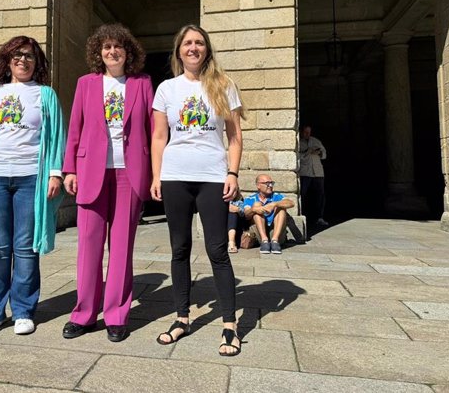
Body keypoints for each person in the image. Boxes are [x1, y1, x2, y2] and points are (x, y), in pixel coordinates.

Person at [0, 36, 66, 338]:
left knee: (26, 247)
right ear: (7, 60)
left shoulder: (45, 95)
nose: (23, 60)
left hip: (31, 177)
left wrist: (55, 173)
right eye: (17, 55)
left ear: (37, 62)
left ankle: (23, 311)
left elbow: (57, 136)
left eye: (29, 56)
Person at [151, 24, 243, 357]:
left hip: (213, 175)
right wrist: (156, 176)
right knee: (180, 248)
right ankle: (182, 318)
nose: (193, 48)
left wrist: (232, 173)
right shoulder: (166, 89)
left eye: (199, 43)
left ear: (206, 49)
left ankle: (230, 324)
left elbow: (234, 136)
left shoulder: (223, 84)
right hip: (176, 175)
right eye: (188, 43)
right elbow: (159, 137)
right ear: (179, 51)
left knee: (218, 250)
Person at [61, 24, 153, 343]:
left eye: (117, 46)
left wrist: (156, 172)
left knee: (122, 247)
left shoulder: (142, 83)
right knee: (88, 244)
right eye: (106, 47)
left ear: (128, 52)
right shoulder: (86, 83)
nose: (111, 51)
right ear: (98, 53)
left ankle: (116, 315)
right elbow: (75, 128)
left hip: (130, 171)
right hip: (91, 170)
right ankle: (84, 314)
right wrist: (69, 168)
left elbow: (153, 130)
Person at [238, 174, 295, 254]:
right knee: (257, 206)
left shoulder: (277, 196)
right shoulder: (250, 198)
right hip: (258, 234)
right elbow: (246, 215)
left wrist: (274, 204)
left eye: (271, 183)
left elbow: (291, 203)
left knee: (281, 207)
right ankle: (264, 241)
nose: (270, 186)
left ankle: (275, 241)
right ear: (258, 185)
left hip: (275, 232)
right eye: (267, 183)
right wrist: (254, 209)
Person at [299, 125, 328, 227]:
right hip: (305, 172)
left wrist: (319, 152)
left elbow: (324, 154)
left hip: (318, 172)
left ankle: (319, 217)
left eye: (309, 132)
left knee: (320, 195)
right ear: (301, 132)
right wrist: (308, 152)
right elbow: (298, 157)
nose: (307, 134)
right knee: (303, 194)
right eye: (305, 132)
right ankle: (303, 216)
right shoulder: (298, 142)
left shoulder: (316, 141)